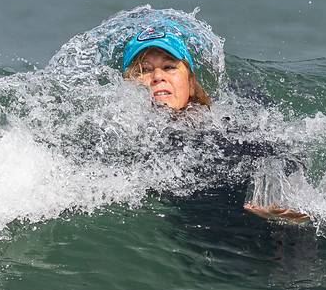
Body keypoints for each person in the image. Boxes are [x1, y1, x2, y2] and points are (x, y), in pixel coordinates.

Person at [120, 23, 309, 224]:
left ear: (191, 84)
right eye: (144, 70)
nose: (157, 76)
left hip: (269, 213)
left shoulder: (227, 120)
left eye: (169, 67)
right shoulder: (123, 137)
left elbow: (285, 147)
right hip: (209, 231)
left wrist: (272, 190)